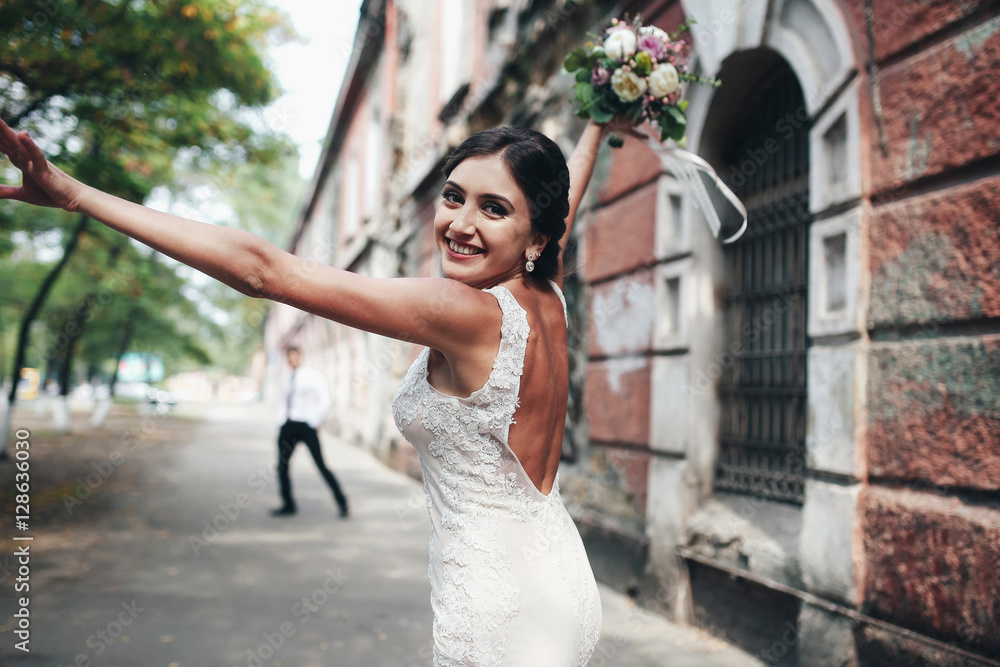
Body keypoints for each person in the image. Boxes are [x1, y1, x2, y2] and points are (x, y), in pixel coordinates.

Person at [0, 114, 620, 665]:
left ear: (534, 236)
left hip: (499, 605)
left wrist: (76, 193)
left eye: (493, 209)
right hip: (559, 578)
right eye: (454, 197)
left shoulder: (460, 309)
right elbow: (567, 194)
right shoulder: (546, 292)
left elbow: (265, 271)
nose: (460, 224)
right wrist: (600, 118)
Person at [273, 345, 348, 518]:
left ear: (300, 356)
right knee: (281, 466)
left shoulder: (312, 376)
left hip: (306, 425)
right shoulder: (286, 379)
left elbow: (325, 398)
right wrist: (281, 422)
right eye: (289, 357)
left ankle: (342, 503)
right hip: (289, 425)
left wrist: (315, 421)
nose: (291, 359)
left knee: (321, 465)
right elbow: (282, 402)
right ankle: (288, 504)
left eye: (294, 356)